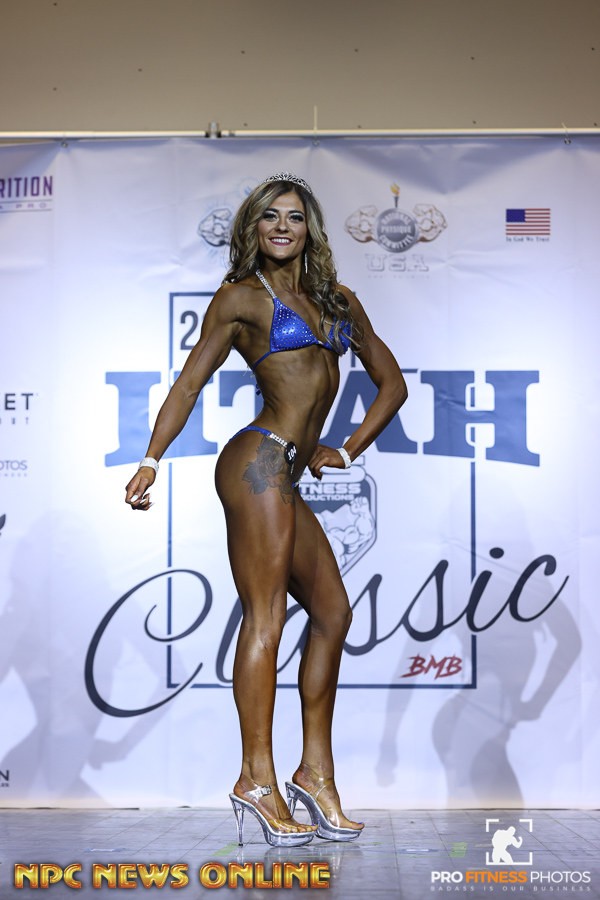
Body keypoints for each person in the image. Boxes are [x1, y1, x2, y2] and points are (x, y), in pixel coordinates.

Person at [125, 173, 408, 846]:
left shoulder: (338, 300)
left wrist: (348, 449)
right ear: (253, 226)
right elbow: (188, 384)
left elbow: (392, 384)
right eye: (271, 216)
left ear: (310, 229)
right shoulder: (240, 297)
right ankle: (257, 777)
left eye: (295, 216)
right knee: (267, 618)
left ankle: (315, 773)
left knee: (333, 613)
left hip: (289, 472)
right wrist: (151, 459)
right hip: (257, 462)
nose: (283, 226)